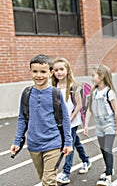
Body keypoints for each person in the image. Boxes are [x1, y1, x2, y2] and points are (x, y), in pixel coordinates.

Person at [10, 54, 73, 186]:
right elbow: (22, 118)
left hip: (53, 143)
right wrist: (17, 141)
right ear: (30, 72)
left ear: (51, 73)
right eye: (35, 71)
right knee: (43, 178)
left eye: (43, 72)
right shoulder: (27, 93)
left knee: (48, 181)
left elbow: (65, 119)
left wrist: (68, 142)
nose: (39, 75)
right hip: (33, 144)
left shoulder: (55, 93)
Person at [52, 57, 91, 184]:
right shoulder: (54, 86)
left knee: (68, 145)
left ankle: (66, 172)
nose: (59, 72)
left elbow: (78, 105)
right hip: (60, 121)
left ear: (67, 70)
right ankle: (86, 160)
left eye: (62, 69)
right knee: (75, 142)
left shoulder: (74, 86)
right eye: (56, 70)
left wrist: (70, 119)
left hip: (72, 121)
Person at [84, 64, 117, 186]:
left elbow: (116, 111)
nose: (91, 78)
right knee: (102, 149)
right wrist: (85, 126)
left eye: (93, 75)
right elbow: (90, 109)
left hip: (109, 124)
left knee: (107, 149)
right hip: (99, 125)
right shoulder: (94, 92)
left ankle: (109, 176)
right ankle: (108, 169)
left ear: (102, 76)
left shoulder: (109, 92)